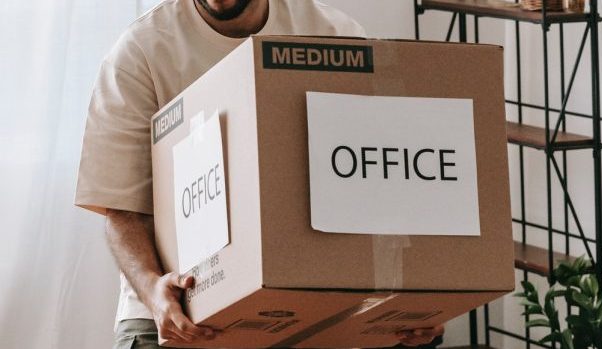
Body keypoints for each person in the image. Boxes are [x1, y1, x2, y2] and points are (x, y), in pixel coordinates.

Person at [74, 1, 445, 348]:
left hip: (306, 293)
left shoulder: (334, 34)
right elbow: (122, 208)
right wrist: (153, 290)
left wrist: (414, 297)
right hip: (175, 302)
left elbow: (381, 177)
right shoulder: (140, 51)